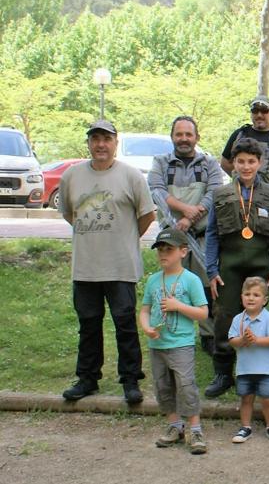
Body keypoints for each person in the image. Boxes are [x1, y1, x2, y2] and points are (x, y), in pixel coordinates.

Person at [60, 119, 156, 404]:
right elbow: (69, 214)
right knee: (88, 323)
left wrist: (125, 238)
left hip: (120, 265)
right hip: (85, 266)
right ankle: (87, 378)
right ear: (89, 143)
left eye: (106, 139)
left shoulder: (131, 176)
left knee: (124, 322)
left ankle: (130, 380)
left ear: (116, 142)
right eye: (95, 139)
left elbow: (147, 215)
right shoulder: (71, 176)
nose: (100, 144)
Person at [204, 137, 269, 398]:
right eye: (241, 161)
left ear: (259, 163)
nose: (246, 166)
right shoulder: (222, 194)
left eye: (251, 161)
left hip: (261, 267)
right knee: (225, 316)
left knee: (258, 319)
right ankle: (223, 372)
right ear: (233, 164)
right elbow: (212, 234)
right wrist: (212, 270)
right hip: (229, 268)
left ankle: (256, 371)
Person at [148, 115, 225, 355]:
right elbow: (157, 191)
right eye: (179, 134)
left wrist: (189, 218)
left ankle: (208, 335)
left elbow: (214, 193)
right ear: (172, 137)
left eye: (188, 135)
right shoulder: (161, 162)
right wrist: (185, 211)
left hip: (202, 238)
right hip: (172, 239)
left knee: (205, 288)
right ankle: (172, 334)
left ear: (197, 137)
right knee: (172, 287)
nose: (183, 139)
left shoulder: (209, 164)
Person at [138, 228, 209, 454]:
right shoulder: (153, 281)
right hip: (157, 344)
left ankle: (195, 428)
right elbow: (145, 310)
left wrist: (179, 306)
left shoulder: (191, 280)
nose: (163, 254)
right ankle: (174, 425)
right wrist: (147, 327)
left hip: (181, 344)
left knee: (186, 385)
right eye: (160, 249)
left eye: (169, 249)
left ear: (183, 251)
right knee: (163, 386)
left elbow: (203, 313)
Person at [228, 277, 269, 444]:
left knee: (267, 399)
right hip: (244, 369)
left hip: (265, 369)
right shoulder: (238, 319)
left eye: (256, 295)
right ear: (241, 297)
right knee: (246, 398)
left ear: (265, 300)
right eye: (247, 294)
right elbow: (232, 340)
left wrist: (255, 340)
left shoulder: (268, 318)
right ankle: (245, 427)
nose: (251, 298)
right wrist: (243, 341)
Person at [220, 95, 269, 189]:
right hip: (241, 195)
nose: (259, 115)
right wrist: (240, 175)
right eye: (255, 111)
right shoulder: (240, 134)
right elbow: (224, 163)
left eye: (264, 111)